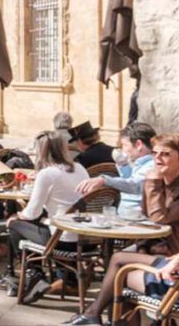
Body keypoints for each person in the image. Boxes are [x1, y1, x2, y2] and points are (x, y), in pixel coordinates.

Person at [65, 132, 179, 325]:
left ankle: (93, 314)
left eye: (165, 154)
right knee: (118, 265)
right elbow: (147, 213)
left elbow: (160, 219)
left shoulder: (159, 181)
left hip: (171, 259)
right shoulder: (163, 182)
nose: (157, 159)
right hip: (159, 250)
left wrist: (152, 181)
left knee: (119, 269)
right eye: (155, 153)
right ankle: (95, 315)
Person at [6, 131, 88, 305]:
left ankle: (35, 274)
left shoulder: (47, 174)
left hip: (61, 239)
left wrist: (17, 215)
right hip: (85, 237)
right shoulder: (79, 168)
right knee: (37, 222)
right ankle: (63, 277)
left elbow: (31, 213)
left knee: (14, 224)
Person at [75, 122, 156, 213]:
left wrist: (104, 180)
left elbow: (135, 185)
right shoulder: (141, 163)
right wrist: (123, 165)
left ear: (138, 145)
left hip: (136, 219)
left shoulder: (151, 165)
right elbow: (128, 181)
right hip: (125, 216)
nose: (124, 150)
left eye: (125, 145)